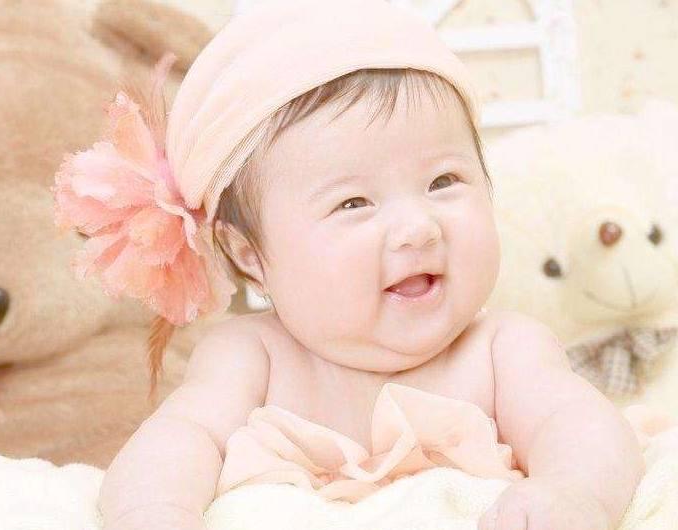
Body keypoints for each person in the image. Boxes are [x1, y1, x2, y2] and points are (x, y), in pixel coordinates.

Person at [52, 1, 644, 529]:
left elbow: (582, 427)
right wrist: (157, 513)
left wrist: (573, 495)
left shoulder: (502, 350)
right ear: (250, 256)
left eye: (444, 181)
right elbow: (174, 443)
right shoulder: (251, 359)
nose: (418, 227)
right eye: (354, 203)